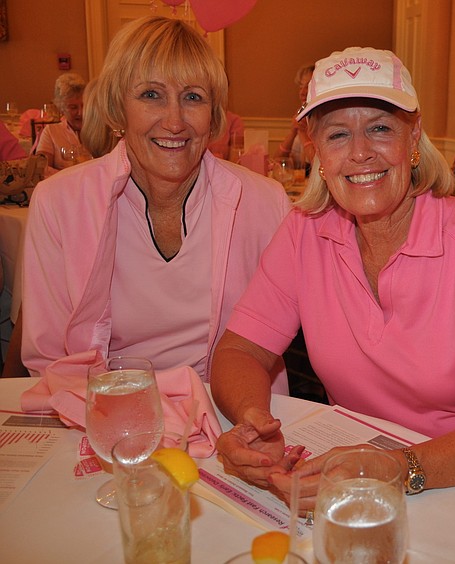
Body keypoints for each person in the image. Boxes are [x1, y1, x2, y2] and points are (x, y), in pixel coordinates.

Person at [211, 47, 455, 506]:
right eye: (338, 135)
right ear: (315, 149)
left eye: (379, 128)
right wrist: (252, 422)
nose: (360, 153)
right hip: (348, 470)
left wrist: (398, 468)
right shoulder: (304, 231)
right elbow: (239, 350)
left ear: (413, 137)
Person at [21, 16, 291, 390]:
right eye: (151, 95)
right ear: (119, 107)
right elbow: (47, 358)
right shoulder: (59, 203)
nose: (175, 121)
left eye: (193, 97)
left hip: (232, 413)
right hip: (104, 410)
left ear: (214, 117)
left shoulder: (264, 203)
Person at [35, 73, 92, 174]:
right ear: (61, 108)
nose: (81, 112)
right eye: (73, 107)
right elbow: (41, 167)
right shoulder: (51, 132)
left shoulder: (97, 130)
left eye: (84, 105)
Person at [275, 64, 315, 168]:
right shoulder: (302, 117)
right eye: (301, 87)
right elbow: (277, 162)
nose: (302, 92)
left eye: (308, 86)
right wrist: (293, 132)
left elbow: (318, 165)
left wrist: (302, 133)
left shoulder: (325, 120)